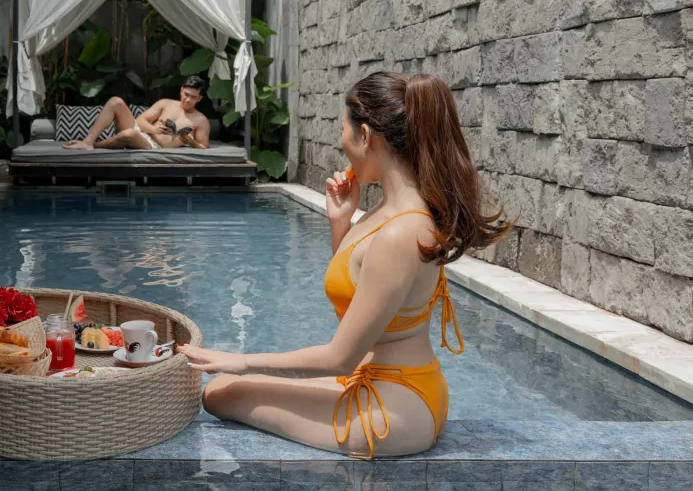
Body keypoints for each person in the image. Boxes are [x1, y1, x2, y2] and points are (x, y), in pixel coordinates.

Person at [178, 72, 509, 458]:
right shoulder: (392, 213)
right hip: (391, 385)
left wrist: (241, 360)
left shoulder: (398, 232)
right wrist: (341, 222)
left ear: (366, 136)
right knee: (227, 386)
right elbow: (360, 298)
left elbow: (340, 356)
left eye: (344, 131)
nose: (341, 143)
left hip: (390, 411)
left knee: (220, 392)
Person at [63, 75, 211, 151]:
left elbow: (204, 147)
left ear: (200, 98)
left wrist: (191, 142)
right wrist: (154, 129)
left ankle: (94, 145)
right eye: (186, 94)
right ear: (181, 90)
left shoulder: (201, 120)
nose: (188, 100)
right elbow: (140, 121)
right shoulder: (166, 103)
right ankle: (87, 142)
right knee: (116, 101)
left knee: (129, 133)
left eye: (193, 97)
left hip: (154, 146)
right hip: (144, 132)